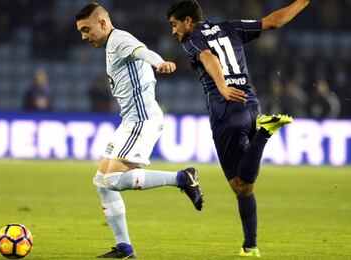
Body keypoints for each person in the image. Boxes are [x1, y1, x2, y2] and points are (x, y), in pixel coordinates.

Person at [166, 0, 310, 257]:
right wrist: (303, 2)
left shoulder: (192, 39)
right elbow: (274, 21)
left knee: (238, 183)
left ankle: (265, 133)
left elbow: (208, 57)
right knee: (244, 187)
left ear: (188, 21)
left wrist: (221, 87)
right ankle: (250, 246)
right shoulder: (230, 27)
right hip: (251, 104)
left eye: (174, 24)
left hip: (226, 109)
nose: (173, 31)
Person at [75, 2, 203, 258]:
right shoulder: (111, 44)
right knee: (101, 182)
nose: (83, 36)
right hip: (129, 122)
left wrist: (160, 63)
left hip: (142, 121)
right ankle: (124, 248)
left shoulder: (119, 39)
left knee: (112, 180)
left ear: (102, 23)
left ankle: (182, 178)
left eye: (86, 30)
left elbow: (143, 52)